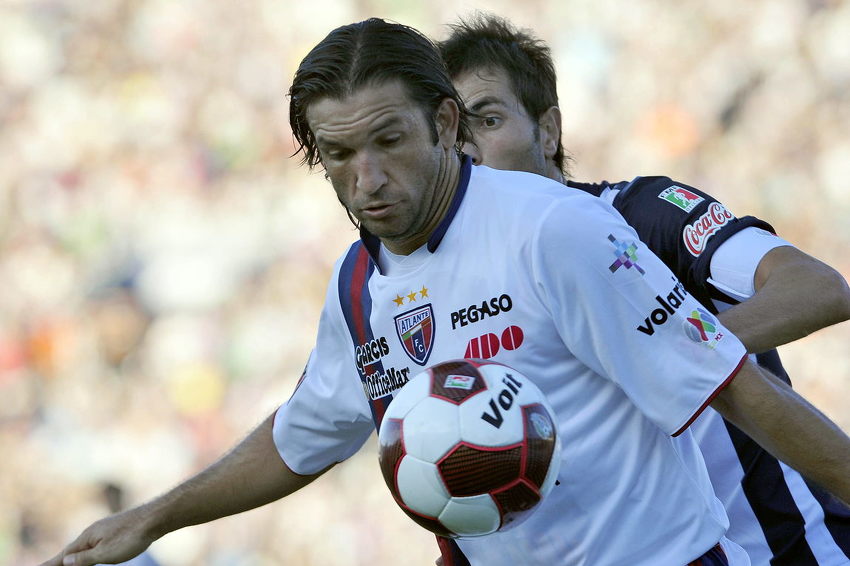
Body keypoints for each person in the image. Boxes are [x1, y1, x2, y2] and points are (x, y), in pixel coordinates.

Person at [40, 18, 850, 566]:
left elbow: (738, 390)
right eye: (338, 155)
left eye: (389, 141)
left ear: (447, 125)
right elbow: (300, 438)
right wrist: (152, 518)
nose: (368, 180)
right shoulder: (358, 286)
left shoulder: (557, 231)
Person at [438, 14, 850, 565]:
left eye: (487, 120)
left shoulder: (643, 216)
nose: (470, 152)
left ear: (549, 130)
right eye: (451, 135)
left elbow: (818, 287)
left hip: (793, 550)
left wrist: (666, 351)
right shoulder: (454, 296)